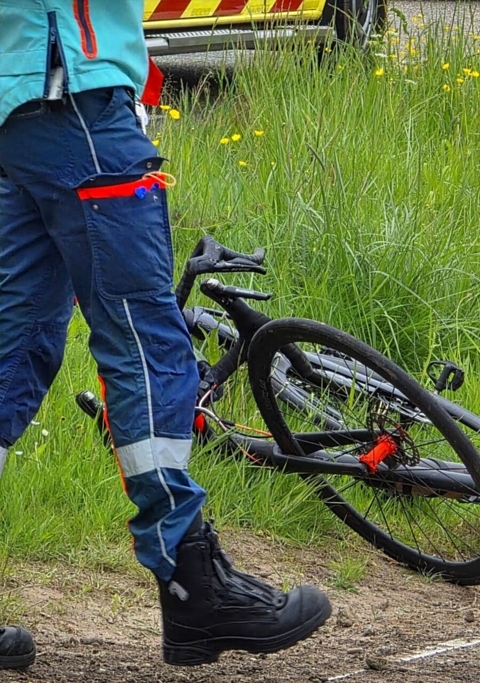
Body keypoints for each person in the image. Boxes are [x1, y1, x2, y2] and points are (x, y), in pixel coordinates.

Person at [0, 2, 331, 670]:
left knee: (14, 350)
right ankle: (192, 581)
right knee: (146, 346)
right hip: (75, 90)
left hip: (18, 104)